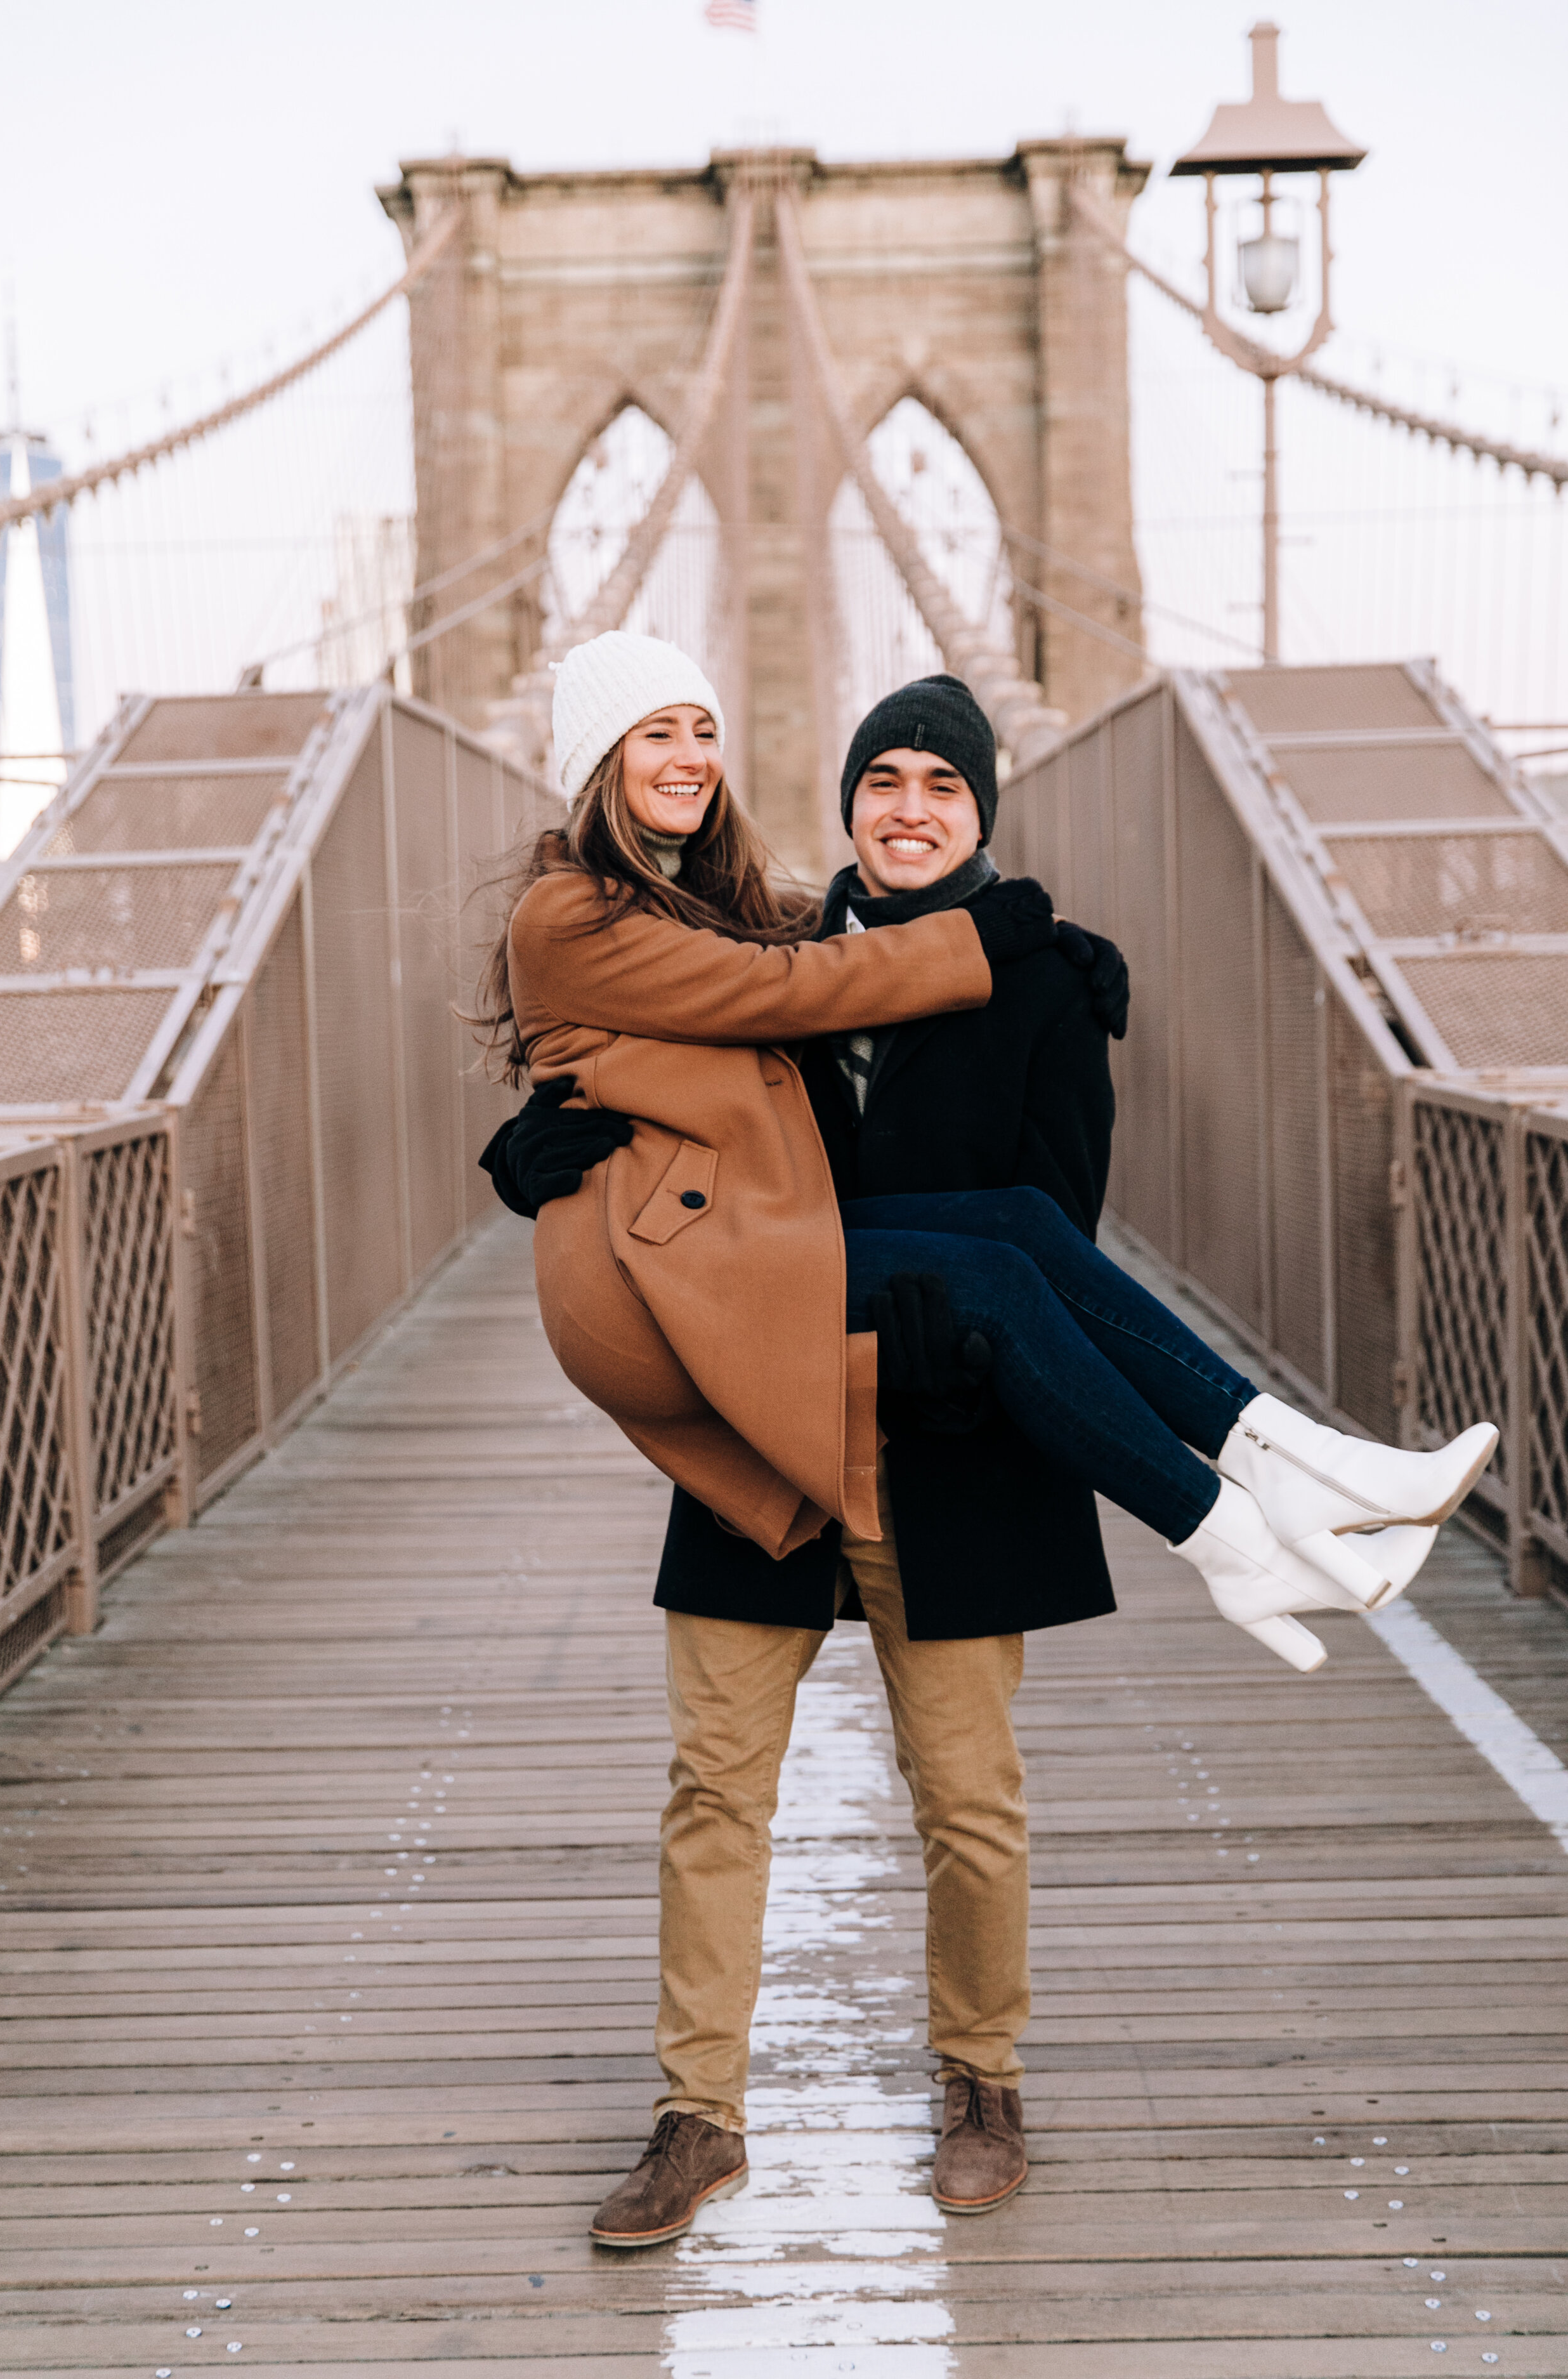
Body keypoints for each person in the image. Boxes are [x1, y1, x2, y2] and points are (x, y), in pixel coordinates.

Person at [476, 630, 1498, 2248]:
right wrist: (537, 1154)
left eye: (941, 783)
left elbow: (1061, 1250)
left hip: (953, 1428)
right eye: (879, 780)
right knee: (713, 1783)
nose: (906, 807)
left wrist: (949, 1328)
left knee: (968, 1794)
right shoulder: (769, 945)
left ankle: (979, 2081)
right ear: (843, 807)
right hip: (764, 1408)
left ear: (982, 813)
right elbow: (657, 1070)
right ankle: (695, 2117)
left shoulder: (1040, 984)